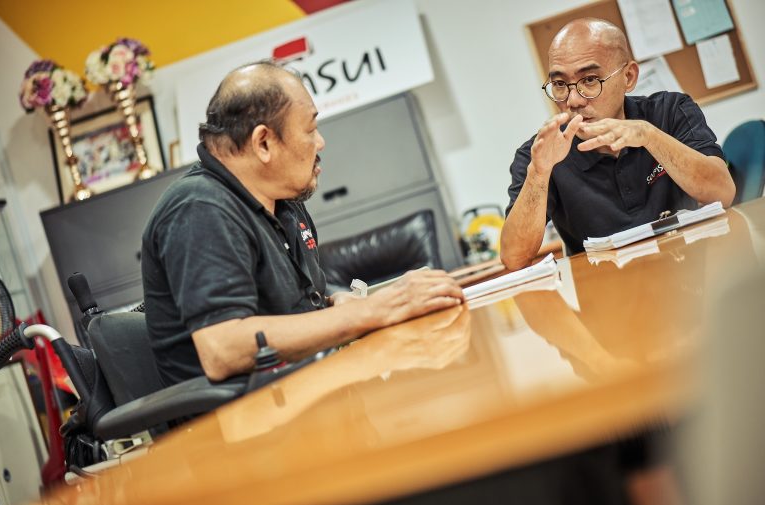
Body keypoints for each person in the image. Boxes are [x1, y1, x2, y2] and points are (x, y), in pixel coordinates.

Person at [141, 60, 464, 386]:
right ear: (263, 143)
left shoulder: (283, 201)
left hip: (311, 390)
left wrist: (334, 301)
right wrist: (364, 313)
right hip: (246, 423)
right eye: (310, 130)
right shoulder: (200, 208)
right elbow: (223, 347)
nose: (320, 142)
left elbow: (287, 309)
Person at [500, 18, 735, 271]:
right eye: (559, 84)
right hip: (608, 296)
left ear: (629, 77)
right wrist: (539, 173)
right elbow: (513, 258)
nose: (574, 100)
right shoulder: (540, 153)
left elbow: (722, 193)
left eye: (589, 80)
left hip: (689, 274)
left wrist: (649, 135)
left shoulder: (670, 111)